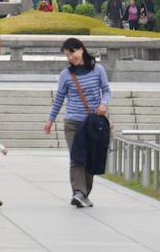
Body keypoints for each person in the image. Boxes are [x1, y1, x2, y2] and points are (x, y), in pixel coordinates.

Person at [44, 37, 111, 209]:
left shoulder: (98, 70)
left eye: (72, 52)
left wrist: (104, 104)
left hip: (92, 123)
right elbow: (59, 98)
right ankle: (78, 192)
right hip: (73, 122)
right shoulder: (65, 75)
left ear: (81, 50)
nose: (70, 57)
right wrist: (50, 119)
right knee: (76, 158)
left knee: (89, 159)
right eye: (67, 55)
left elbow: (106, 90)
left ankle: (84, 194)